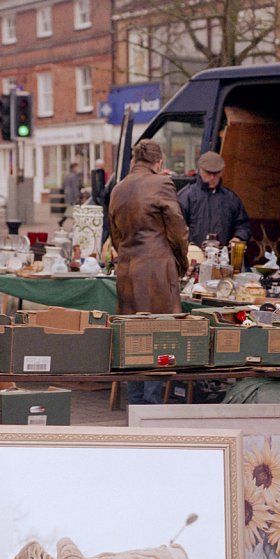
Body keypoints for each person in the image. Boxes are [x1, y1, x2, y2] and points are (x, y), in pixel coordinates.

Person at [108, 139, 189, 405]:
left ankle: (136, 409)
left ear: (134, 161)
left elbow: (116, 235)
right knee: (159, 341)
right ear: (159, 162)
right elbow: (178, 230)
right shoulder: (162, 183)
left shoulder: (118, 188)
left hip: (128, 270)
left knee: (134, 342)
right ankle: (152, 412)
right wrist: (182, 261)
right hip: (156, 270)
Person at [176, 151, 251, 248]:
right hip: (193, 257)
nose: (212, 178)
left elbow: (243, 225)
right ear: (200, 170)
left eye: (216, 174)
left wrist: (238, 238)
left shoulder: (231, 199)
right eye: (208, 173)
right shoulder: (186, 197)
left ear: (222, 172)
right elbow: (175, 229)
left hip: (222, 258)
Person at [60, 162, 82, 227]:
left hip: (67, 195)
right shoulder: (75, 176)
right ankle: (76, 223)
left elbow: (63, 185)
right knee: (73, 210)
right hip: (72, 196)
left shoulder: (66, 176)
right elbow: (75, 187)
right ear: (74, 168)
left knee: (70, 210)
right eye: (77, 167)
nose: (78, 169)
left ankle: (62, 221)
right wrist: (77, 196)